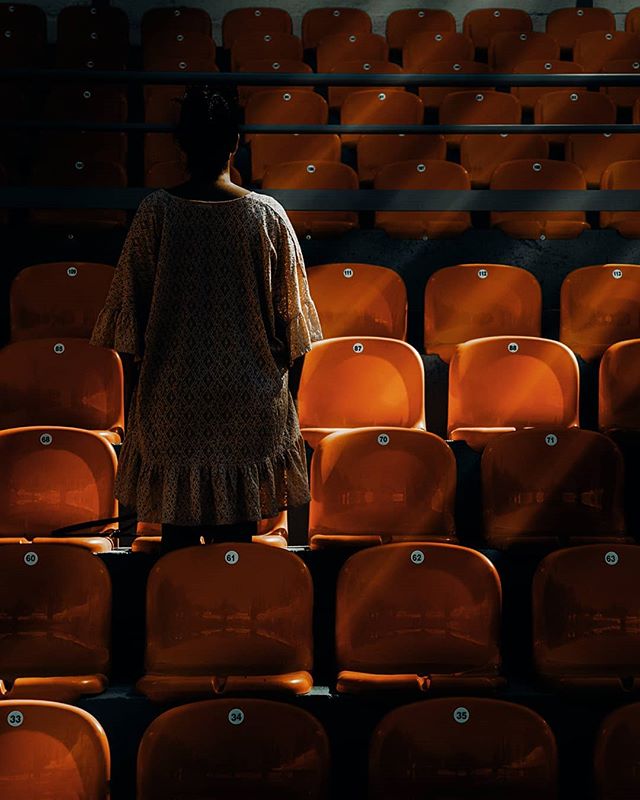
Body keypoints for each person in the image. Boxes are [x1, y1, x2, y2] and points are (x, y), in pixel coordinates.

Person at [90, 86, 323, 552]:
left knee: (175, 543)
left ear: (181, 144)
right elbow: (294, 331)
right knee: (233, 545)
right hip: (247, 402)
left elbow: (126, 326)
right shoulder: (267, 216)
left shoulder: (155, 213)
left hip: (172, 399)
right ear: (236, 142)